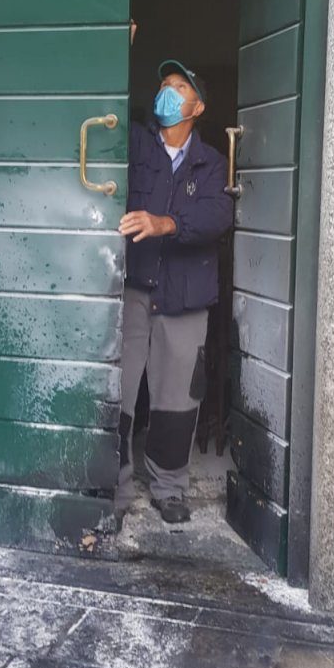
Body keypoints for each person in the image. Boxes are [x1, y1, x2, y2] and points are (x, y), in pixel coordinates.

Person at [116, 58, 234, 525]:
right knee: (121, 391)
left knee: (176, 398)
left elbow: (217, 216)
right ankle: (116, 485)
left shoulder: (212, 163)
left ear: (197, 106)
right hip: (133, 287)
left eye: (179, 87)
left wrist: (167, 223)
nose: (167, 91)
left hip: (184, 295)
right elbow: (105, 110)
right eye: (164, 83)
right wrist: (119, 50)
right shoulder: (136, 145)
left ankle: (169, 487)